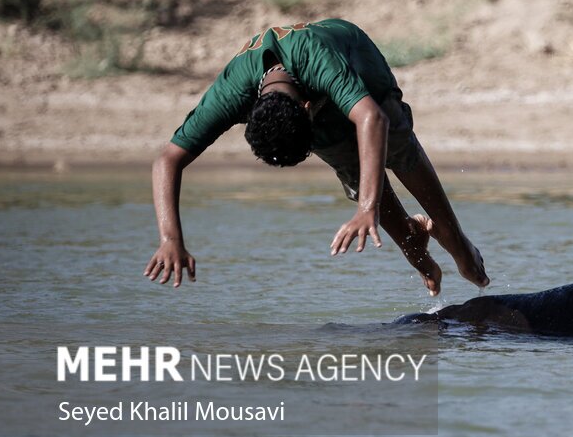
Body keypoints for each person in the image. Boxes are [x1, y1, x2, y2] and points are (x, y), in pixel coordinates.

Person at [144, 18, 488, 295]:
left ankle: (454, 239)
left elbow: (371, 118)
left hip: (360, 67)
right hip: (309, 104)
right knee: (354, 168)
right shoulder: (232, 93)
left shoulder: (314, 56)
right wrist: (171, 239)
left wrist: (366, 209)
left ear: (307, 109)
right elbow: (168, 160)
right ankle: (418, 248)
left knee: (393, 144)